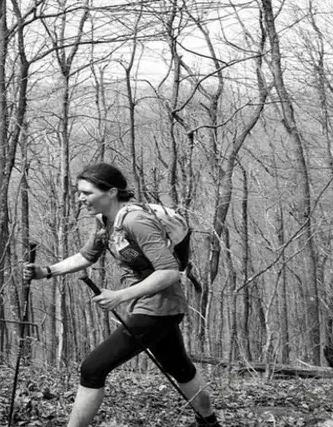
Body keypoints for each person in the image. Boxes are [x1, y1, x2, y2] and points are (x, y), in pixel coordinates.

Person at [24, 163, 220, 427]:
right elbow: (86, 256)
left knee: (92, 368)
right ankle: (209, 422)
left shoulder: (135, 221)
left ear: (112, 192)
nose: (81, 198)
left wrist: (120, 296)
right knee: (180, 368)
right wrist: (46, 271)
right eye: (79, 193)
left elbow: (170, 272)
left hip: (159, 309)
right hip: (151, 307)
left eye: (87, 193)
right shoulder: (106, 221)